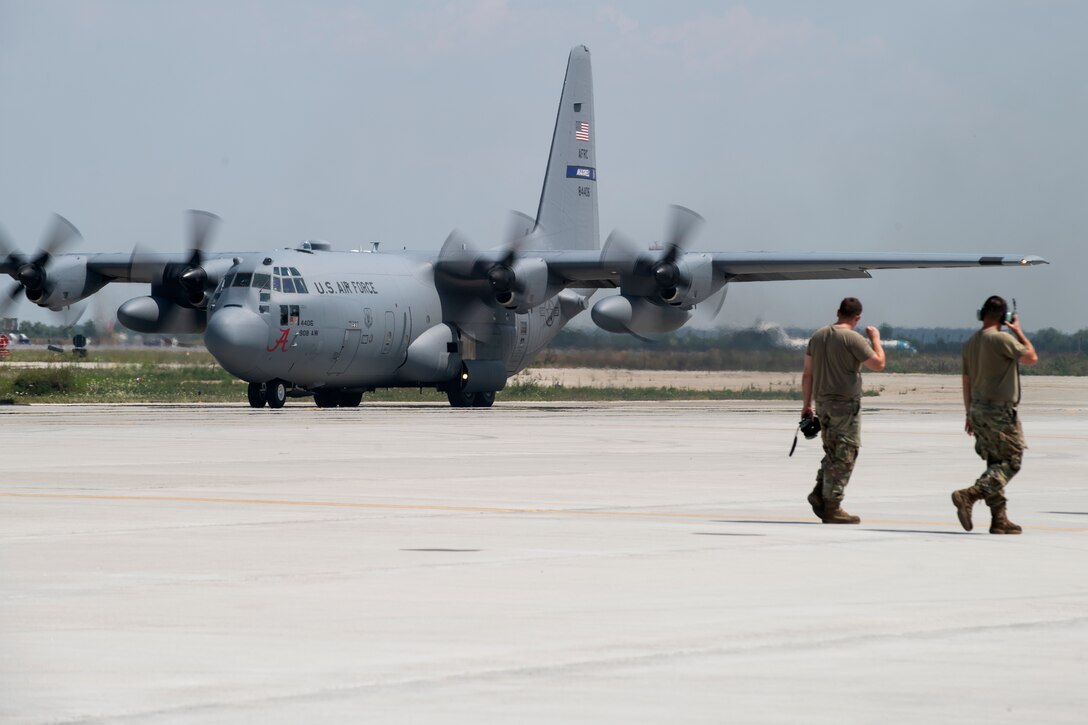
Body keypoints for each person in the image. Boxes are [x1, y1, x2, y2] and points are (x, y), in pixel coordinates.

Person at [952, 296, 1038, 534]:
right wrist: (1019, 331)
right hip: (999, 411)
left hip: (978, 408)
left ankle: (999, 519)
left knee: (995, 462)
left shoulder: (970, 342)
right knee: (1011, 461)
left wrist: (968, 413)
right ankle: (969, 494)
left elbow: (966, 380)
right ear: (1004, 317)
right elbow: (1031, 358)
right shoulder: (1002, 339)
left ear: (982, 314)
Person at [801, 297, 885, 523]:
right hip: (844, 405)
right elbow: (878, 364)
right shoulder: (853, 338)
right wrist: (875, 340)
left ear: (838, 312)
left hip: (823, 403)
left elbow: (807, 374)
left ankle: (820, 494)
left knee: (832, 451)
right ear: (857, 317)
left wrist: (806, 405)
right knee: (846, 453)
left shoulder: (817, 336)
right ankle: (832, 506)